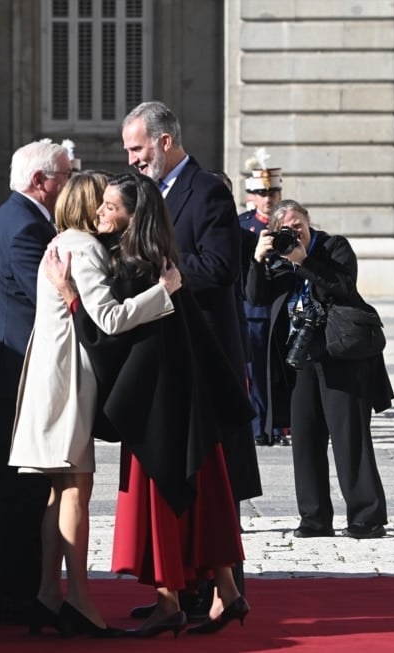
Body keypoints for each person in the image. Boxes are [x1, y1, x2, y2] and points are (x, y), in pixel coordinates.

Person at [47, 172, 250, 637]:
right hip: (184, 398)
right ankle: (227, 593)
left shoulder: (136, 266)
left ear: (133, 216)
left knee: (161, 500)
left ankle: (169, 603)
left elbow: (111, 333)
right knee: (200, 494)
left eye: (110, 206)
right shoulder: (158, 258)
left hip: (157, 404)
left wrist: (71, 297)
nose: (100, 211)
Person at [9, 171, 179, 637]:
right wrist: (162, 293)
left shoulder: (62, 242)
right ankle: (79, 600)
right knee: (75, 490)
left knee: (58, 490)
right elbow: (108, 318)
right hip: (69, 379)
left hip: (52, 372)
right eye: (101, 202)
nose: (107, 209)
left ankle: (50, 592)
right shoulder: (82, 248)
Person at [120, 100, 261, 615]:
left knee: (214, 475)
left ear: (164, 140)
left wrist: (162, 273)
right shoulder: (144, 192)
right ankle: (180, 588)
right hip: (166, 357)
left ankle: (226, 591)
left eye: (137, 148)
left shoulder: (208, 191)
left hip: (206, 354)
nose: (132, 159)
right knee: (175, 475)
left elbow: (221, 266)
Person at [0, 139, 73, 625]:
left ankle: (20, 589)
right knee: (22, 489)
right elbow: (50, 303)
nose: (70, 185)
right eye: (66, 177)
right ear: (41, 182)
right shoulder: (24, 228)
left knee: (23, 486)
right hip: (16, 373)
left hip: (12, 371)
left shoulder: (21, 218)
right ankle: (17, 594)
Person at [247, 199, 391, 540]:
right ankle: (314, 518)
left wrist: (304, 261)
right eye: (287, 228)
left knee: (349, 437)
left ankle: (366, 517)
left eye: (298, 225)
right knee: (306, 441)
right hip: (300, 359)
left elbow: (343, 286)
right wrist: (257, 259)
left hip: (339, 355)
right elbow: (255, 297)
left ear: (309, 223)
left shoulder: (334, 246)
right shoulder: (277, 258)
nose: (294, 232)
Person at [238, 148, 289, 446]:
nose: (268, 197)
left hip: (282, 307)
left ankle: (281, 426)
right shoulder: (244, 226)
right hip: (254, 309)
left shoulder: (289, 223)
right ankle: (259, 427)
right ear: (252, 196)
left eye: (272, 191)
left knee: (282, 370)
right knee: (255, 371)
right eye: (261, 192)